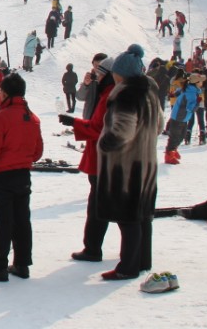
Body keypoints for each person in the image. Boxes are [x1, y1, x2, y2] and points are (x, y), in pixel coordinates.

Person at [94, 44, 162, 281]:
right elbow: (160, 125)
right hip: (147, 161)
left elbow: (123, 130)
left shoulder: (126, 94)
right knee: (143, 216)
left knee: (128, 218)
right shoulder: (149, 92)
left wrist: (104, 143)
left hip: (126, 166)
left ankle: (128, 266)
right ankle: (142, 260)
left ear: (120, 73)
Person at [0, 73, 43, 281]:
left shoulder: (0, 117)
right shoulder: (32, 117)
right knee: (22, 220)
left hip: (1, 176)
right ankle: (22, 263)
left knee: (2, 221)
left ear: (4, 93)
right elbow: (37, 151)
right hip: (23, 174)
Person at [61, 55, 114, 263]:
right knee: (100, 202)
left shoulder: (110, 94)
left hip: (101, 151)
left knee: (99, 204)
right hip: (95, 142)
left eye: (100, 72)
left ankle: (93, 248)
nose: (96, 75)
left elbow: (99, 127)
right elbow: (81, 96)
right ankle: (94, 246)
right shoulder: (102, 88)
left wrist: (75, 123)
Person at [163, 72, 200, 164]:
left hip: (182, 117)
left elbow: (177, 92)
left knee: (181, 136)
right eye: (201, 81)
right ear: (196, 83)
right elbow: (190, 108)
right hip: (179, 117)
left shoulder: (189, 88)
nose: (202, 83)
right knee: (175, 137)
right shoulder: (191, 93)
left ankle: (173, 150)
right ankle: (169, 156)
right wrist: (197, 103)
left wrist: (173, 94)